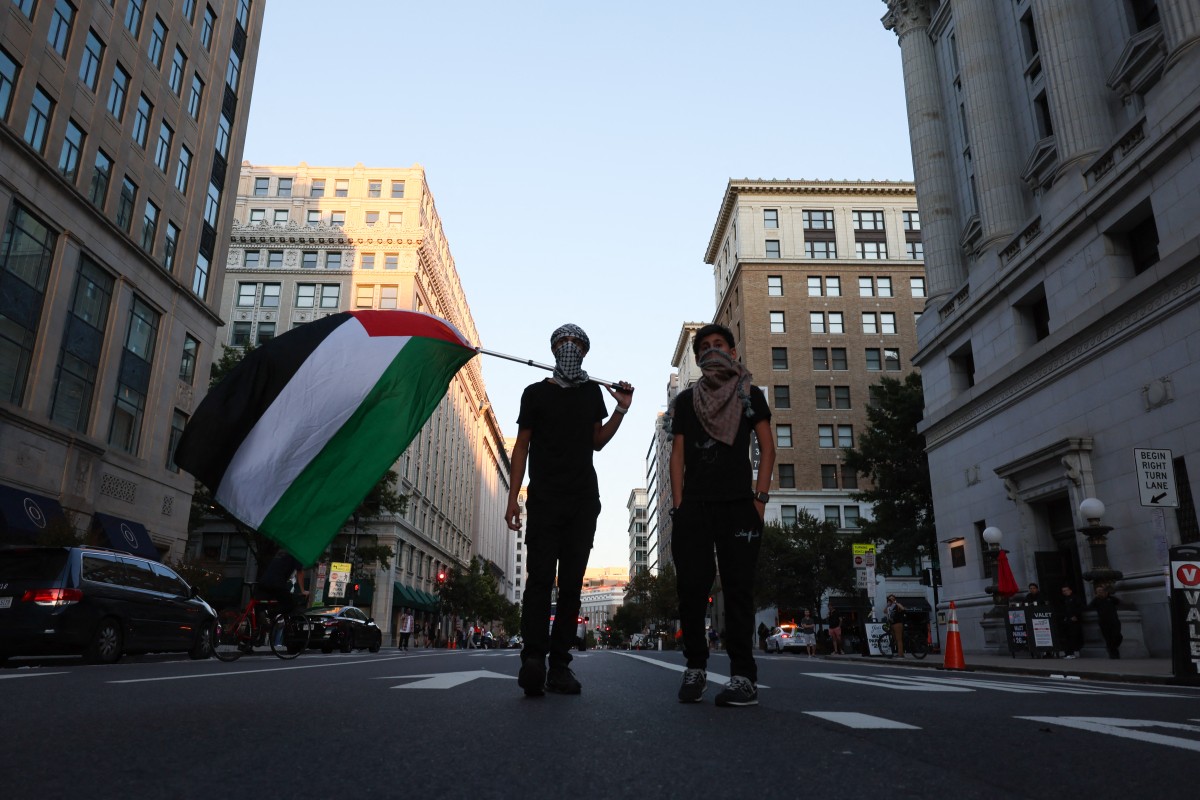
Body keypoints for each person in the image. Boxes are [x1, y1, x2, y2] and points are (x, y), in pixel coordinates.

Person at [506, 324, 634, 697]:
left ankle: (559, 665)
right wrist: (514, 498)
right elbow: (521, 448)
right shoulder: (533, 394)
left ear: (585, 352)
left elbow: (597, 442)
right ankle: (533, 659)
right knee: (539, 581)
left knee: (572, 587)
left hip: (582, 502)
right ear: (553, 348)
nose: (570, 348)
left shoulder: (593, 392)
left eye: (577, 344)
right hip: (544, 500)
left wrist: (621, 411)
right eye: (563, 343)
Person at [669, 324, 775, 707]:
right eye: (705, 348)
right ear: (697, 359)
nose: (712, 351)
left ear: (733, 351)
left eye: (719, 345)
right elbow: (677, 455)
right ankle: (695, 669)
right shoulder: (684, 402)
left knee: (738, 590)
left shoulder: (749, 394)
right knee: (691, 592)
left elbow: (766, 448)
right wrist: (679, 507)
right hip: (693, 508)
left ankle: (743, 678)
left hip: (738, 506)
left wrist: (759, 501)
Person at [1089, 583, 1123, 659]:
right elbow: (1089, 607)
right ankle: (1113, 654)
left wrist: (1109, 591)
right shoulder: (1096, 600)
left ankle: (1113, 649)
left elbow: (1119, 602)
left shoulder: (1111, 598)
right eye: (1098, 591)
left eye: (1101, 591)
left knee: (1118, 636)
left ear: (1105, 591)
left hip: (1114, 621)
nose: (1100, 592)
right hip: (1104, 622)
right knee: (1108, 639)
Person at [1059, 585, 1084, 658]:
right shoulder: (1063, 600)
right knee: (1067, 637)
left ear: (1070, 590)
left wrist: (1076, 615)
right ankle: (1068, 653)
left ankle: (1072, 652)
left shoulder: (1075, 598)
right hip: (1066, 620)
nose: (1064, 592)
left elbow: (1080, 607)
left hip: (1074, 621)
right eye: (1063, 591)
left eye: (1066, 590)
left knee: (1073, 636)